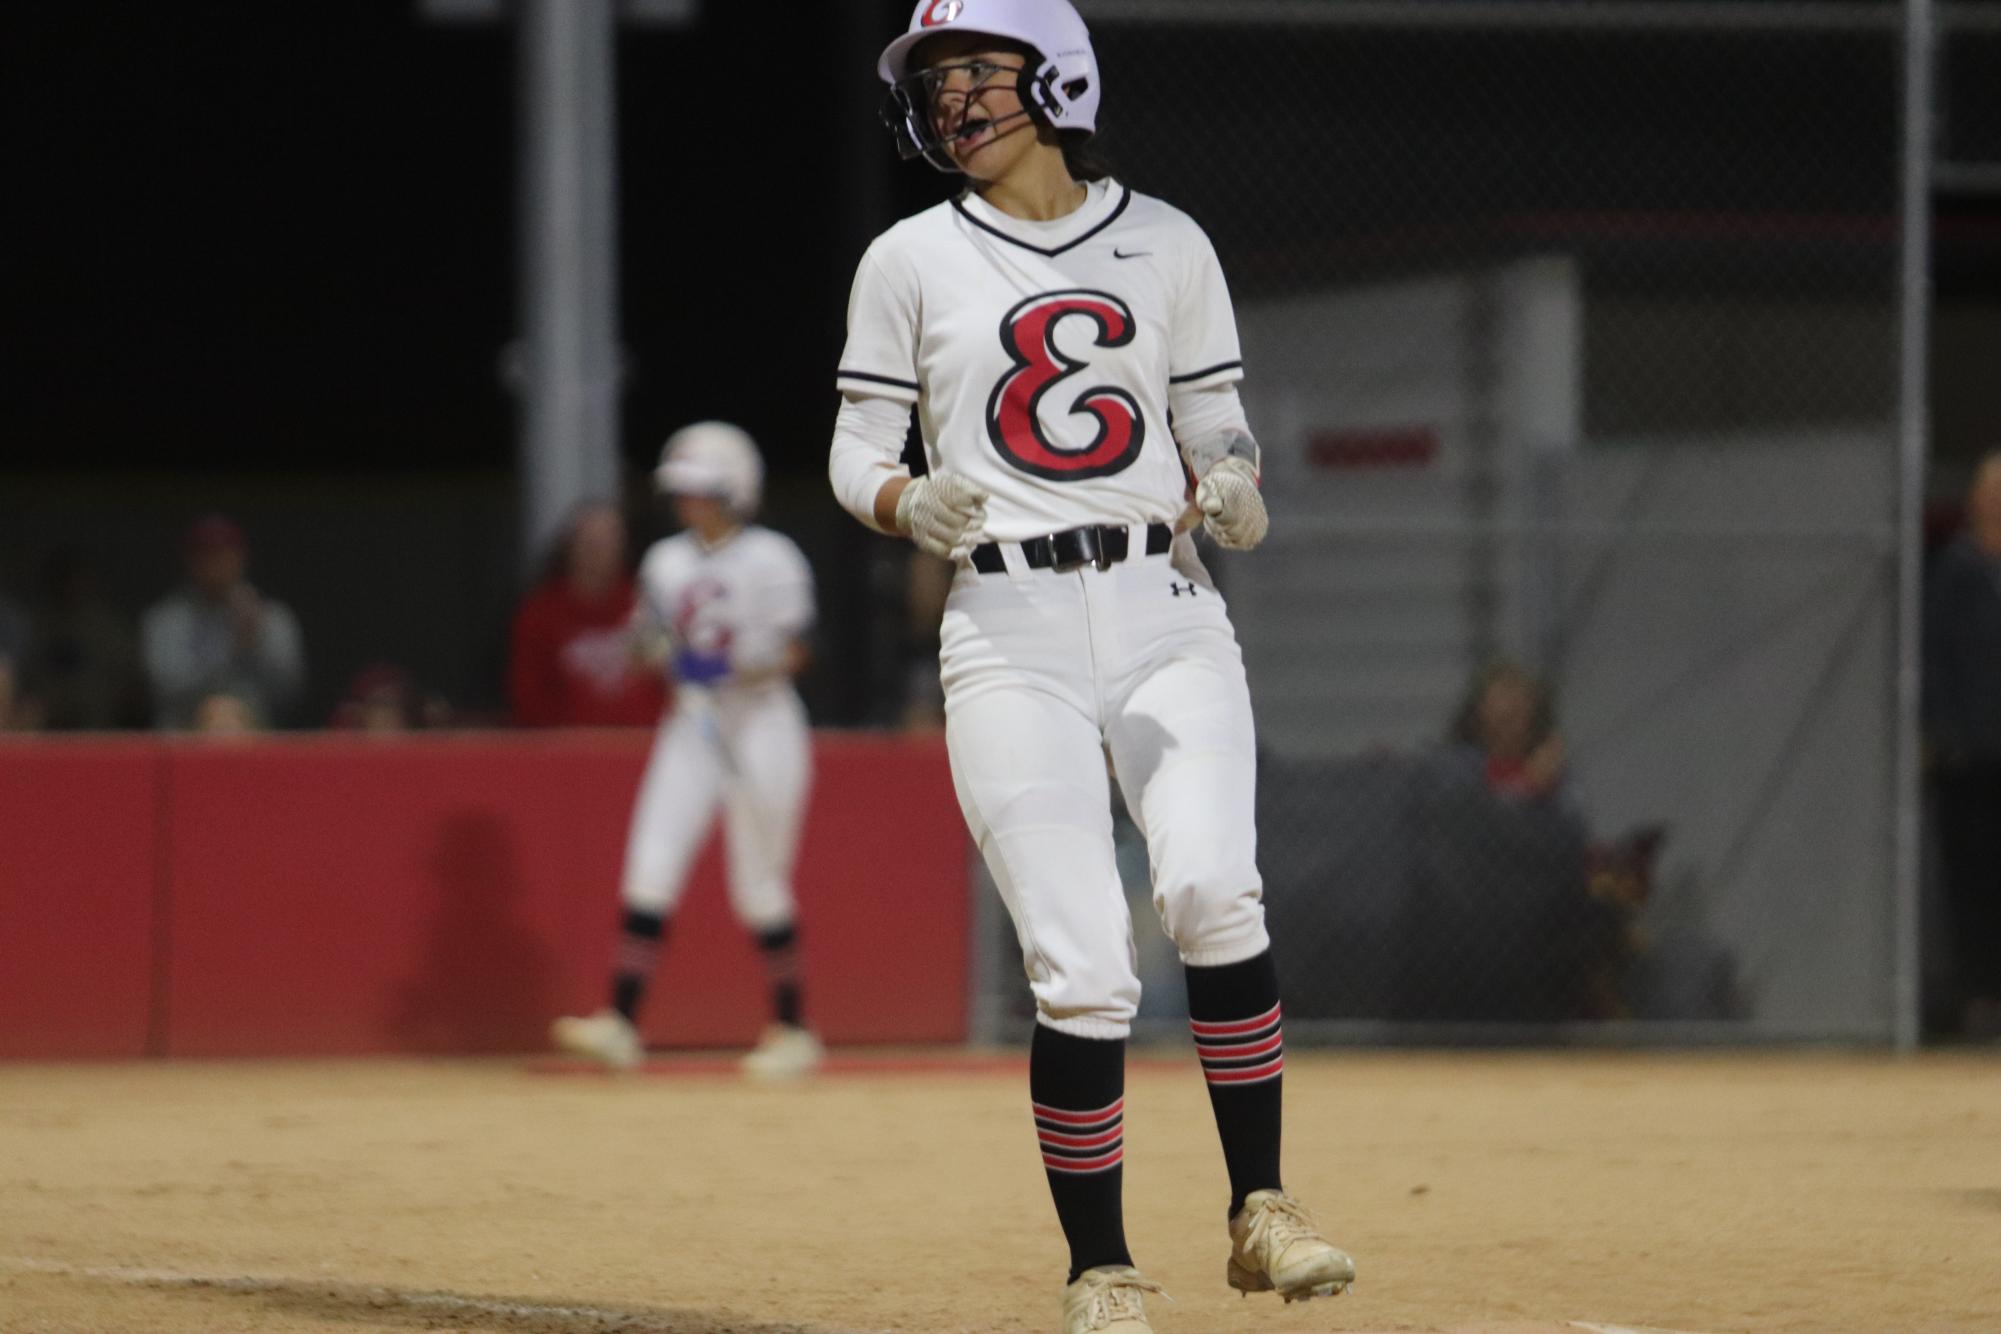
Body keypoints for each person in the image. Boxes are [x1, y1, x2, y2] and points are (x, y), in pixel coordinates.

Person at [828, 5, 1353, 1328]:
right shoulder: (907, 256)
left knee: (1218, 891)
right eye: (935, 81)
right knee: (1080, 964)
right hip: (1005, 626)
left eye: (973, 75)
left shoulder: (1166, 238)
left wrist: (1230, 475)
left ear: (1054, 77)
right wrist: (902, 502)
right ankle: (1100, 1264)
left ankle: (1263, 1208)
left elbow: (1211, 413)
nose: (950, 102)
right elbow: (853, 446)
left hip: (1159, 599)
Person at [552, 422, 824, 1080]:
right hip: (693, 724)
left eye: (700, 491)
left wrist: (732, 666)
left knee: (758, 881)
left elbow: (795, 651)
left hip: (761, 724)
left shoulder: (774, 558)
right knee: (650, 862)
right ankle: (620, 1021)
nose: (686, 503)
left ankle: (793, 1029)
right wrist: (659, 655)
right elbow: (649, 641)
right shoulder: (665, 562)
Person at [1923, 450, 2001, 1041]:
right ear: (1974, 501)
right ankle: (1980, 999)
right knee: (1971, 882)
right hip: (1970, 760)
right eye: (1990, 492)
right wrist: (1946, 738)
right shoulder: (1954, 570)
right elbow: (1934, 663)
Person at [507, 501, 669, 729]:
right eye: (589, 542)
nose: (598, 552)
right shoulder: (541, 613)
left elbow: (672, 680)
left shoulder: (648, 604)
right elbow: (527, 692)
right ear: (570, 546)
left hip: (642, 744)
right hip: (567, 750)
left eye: (608, 542)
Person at [140, 515, 305, 731]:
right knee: (217, 714)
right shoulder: (165, 619)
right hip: (183, 738)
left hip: (255, 738)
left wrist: (256, 642)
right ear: (190, 560)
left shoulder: (271, 617)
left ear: (241, 557)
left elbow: (290, 691)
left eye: (224, 554)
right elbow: (165, 688)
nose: (216, 564)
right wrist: (231, 650)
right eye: (206, 555)